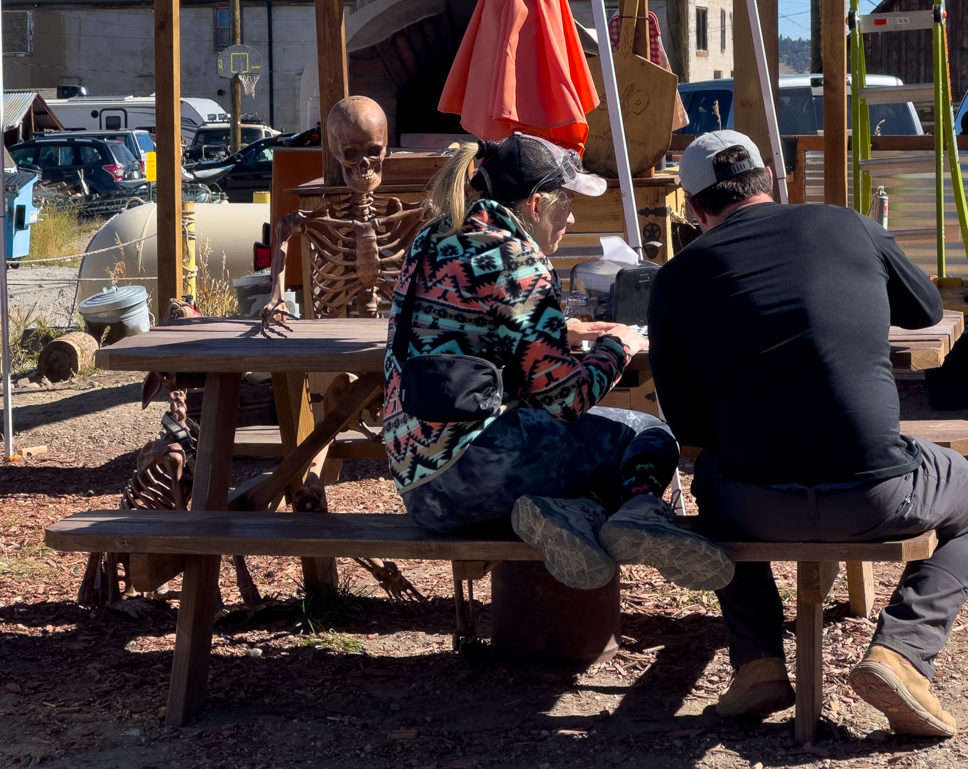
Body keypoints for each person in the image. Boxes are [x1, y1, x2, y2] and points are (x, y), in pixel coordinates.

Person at [648, 129, 968, 737]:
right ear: (771, 177)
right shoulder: (846, 224)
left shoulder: (677, 277)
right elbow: (926, 310)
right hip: (878, 496)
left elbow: (687, 428)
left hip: (753, 506)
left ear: (693, 210)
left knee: (712, 479)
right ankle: (902, 651)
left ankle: (758, 666)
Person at [382, 131, 735, 593]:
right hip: (484, 477)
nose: (571, 218)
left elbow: (458, 320)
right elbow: (567, 400)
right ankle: (639, 514)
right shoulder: (516, 256)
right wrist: (621, 345)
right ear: (535, 204)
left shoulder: (436, 236)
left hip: (421, 491)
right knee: (647, 433)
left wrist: (561, 331)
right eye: (566, 203)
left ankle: (571, 512)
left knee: (586, 448)